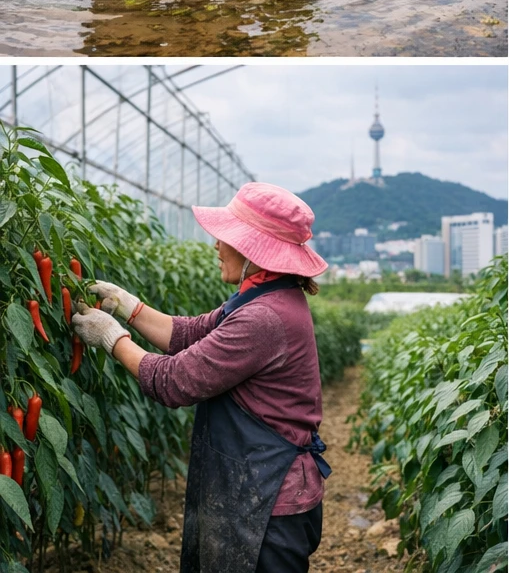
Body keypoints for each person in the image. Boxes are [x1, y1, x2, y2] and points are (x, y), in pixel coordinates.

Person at [72, 183, 331, 573]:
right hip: (256, 488)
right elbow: (190, 332)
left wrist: (111, 337)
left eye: (225, 237)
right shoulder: (264, 298)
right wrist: (128, 306)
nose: (216, 245)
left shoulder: (264, 318)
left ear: (253, 251)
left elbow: (174, 381)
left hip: (267, 506)